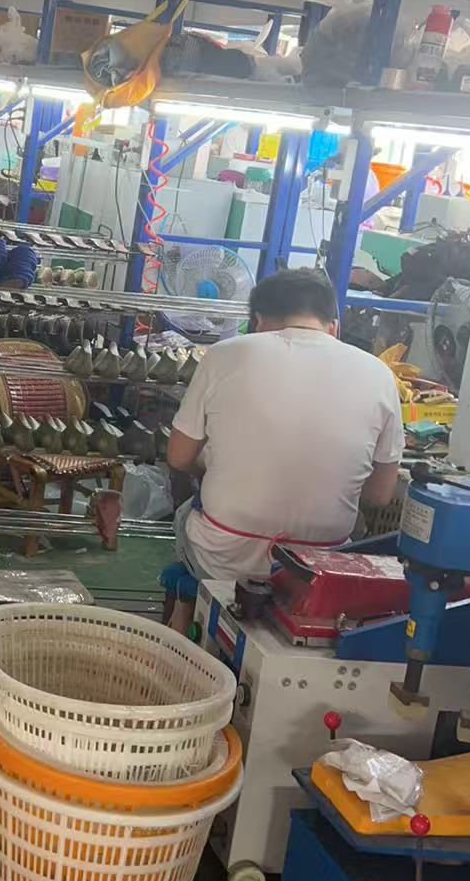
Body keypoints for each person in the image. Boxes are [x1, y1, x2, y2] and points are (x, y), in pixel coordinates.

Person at [162, 268, 403, 631]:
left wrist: (215, 465)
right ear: (333, 326)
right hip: (319, 563)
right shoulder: (379, 373)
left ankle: (183, 620)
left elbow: (178, 457)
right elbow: (380, 495)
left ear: (258, 321)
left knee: (185, 512)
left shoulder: (225, 354)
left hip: (226, 553)